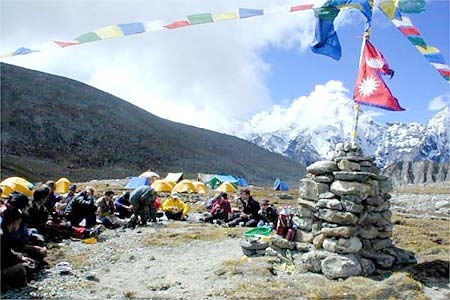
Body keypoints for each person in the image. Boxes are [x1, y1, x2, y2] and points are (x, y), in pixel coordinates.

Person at [1, 208, 36, 292]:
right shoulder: (2, 235)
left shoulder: (5, 231)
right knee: (21, 269)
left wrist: (20, 257)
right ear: (16, 222)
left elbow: (7, 251)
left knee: (25, 260)